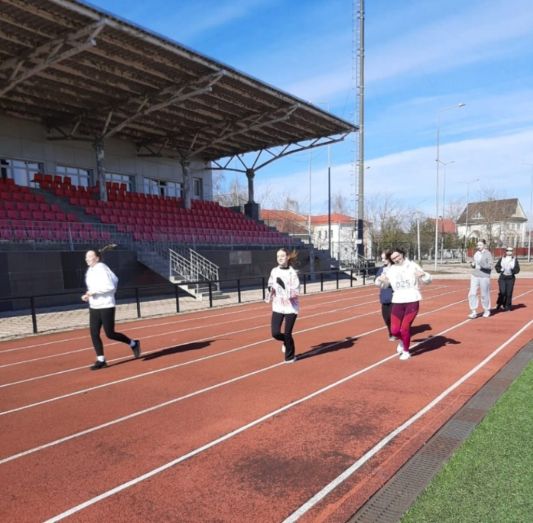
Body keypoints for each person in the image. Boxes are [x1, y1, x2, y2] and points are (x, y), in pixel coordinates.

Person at [82, 245, 141, 370]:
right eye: (86, 256)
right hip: (94, 306)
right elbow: (95, 287)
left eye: (90, 256)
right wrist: (88, 294)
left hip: (106, 305)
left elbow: (110, 286)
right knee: (94, 333)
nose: (87, 258)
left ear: (97, 258)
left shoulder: (102, 269)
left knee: (110, 333)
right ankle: (101, 360)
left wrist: (93, 292)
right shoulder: (90, 270)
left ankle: (133, 343)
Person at [375, 248, 431, 361]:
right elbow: (384, 285)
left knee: (405, 328)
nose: (396, 259)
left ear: (402, 254)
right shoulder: (390, 270)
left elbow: (427, 280)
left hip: (412, 300)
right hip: (397, 300)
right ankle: (402, 340)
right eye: (393, 258)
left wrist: (424, 275)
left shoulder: (413, 266)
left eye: (397, 256)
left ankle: (406, 351)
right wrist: (381, 280)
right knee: (395, 331)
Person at [267, 248, 300, 363]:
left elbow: (296, 291)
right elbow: (270, 283)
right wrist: (270, 290)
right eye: (278, 256)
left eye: (282, 256)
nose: (279, 258)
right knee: (275, 333)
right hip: (278, 306)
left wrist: (284, 289)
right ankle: (286, 341)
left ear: (287, 257)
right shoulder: (274, 271)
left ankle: (290, 357)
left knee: (287, 333)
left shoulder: (292, 273)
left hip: (291, 307)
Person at [468, 239, 493, 319]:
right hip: (475, 275)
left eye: (480, 245)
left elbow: (490, 266)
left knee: (484, 294)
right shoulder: (476, 253)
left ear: (484, 245)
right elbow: (475, 264)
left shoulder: (488, 254)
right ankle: (473, 311)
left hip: (484, 276)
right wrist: (472, 264)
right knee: (472, 293)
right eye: (478, 245)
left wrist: (481, 265)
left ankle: (486, 310)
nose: (478, 247)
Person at [375, 250, 396, 341]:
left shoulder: (396, 268)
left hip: (395, 297)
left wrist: (388, 281)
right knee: (386, 318)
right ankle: (391, 331)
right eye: (382, 258)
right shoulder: (381, 269)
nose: (383, 260)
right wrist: (379, 280)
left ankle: (393, 333)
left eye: (385, 258)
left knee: (394, 317)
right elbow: (376, 281)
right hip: (384, 297)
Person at [495, 247, 520, 311]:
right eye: (508, 250)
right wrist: (500, 269)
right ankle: (499, 303)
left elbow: (517, 269)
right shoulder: (502, 258)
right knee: (502, 292)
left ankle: (507, 306)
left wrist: (513, 270)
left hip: (510, 278)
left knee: (509, 293)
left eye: (511, 251)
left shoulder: (514, 259)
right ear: (506, 251)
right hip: (502, 278)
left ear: (512, 252)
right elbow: (497, 266)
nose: (509, 252)